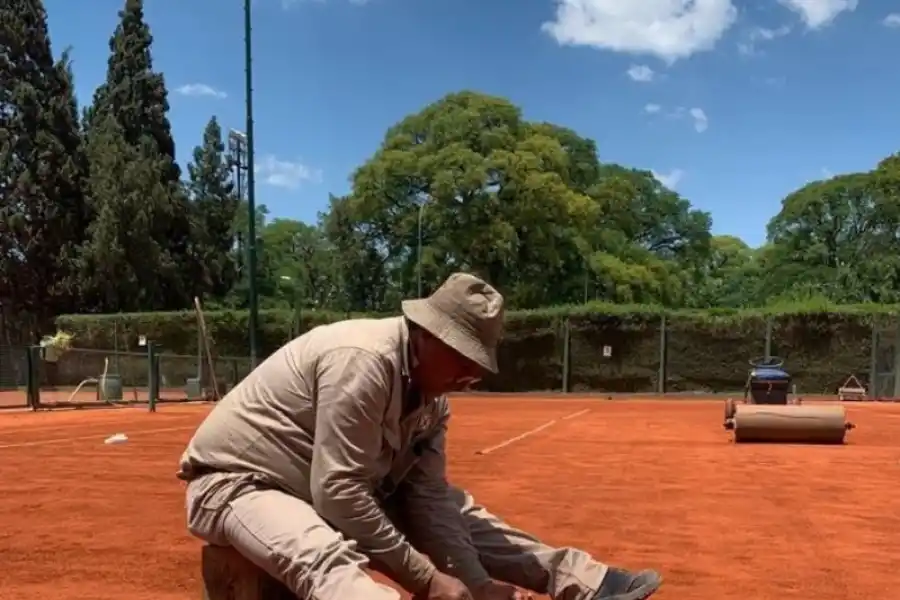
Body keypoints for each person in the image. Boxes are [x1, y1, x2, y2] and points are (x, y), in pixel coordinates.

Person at [177, 272, 662, 600]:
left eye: (479, 362)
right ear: (427, 334)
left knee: (460, 512)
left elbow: (428, 500)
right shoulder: (362, 362)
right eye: (464, 357)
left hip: (322, 488)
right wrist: (428, 579)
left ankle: (586, 582)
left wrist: (474, 585)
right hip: (240, 484)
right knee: (326, 560)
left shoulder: (433, 402)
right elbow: (338, 492)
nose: (473, 374)